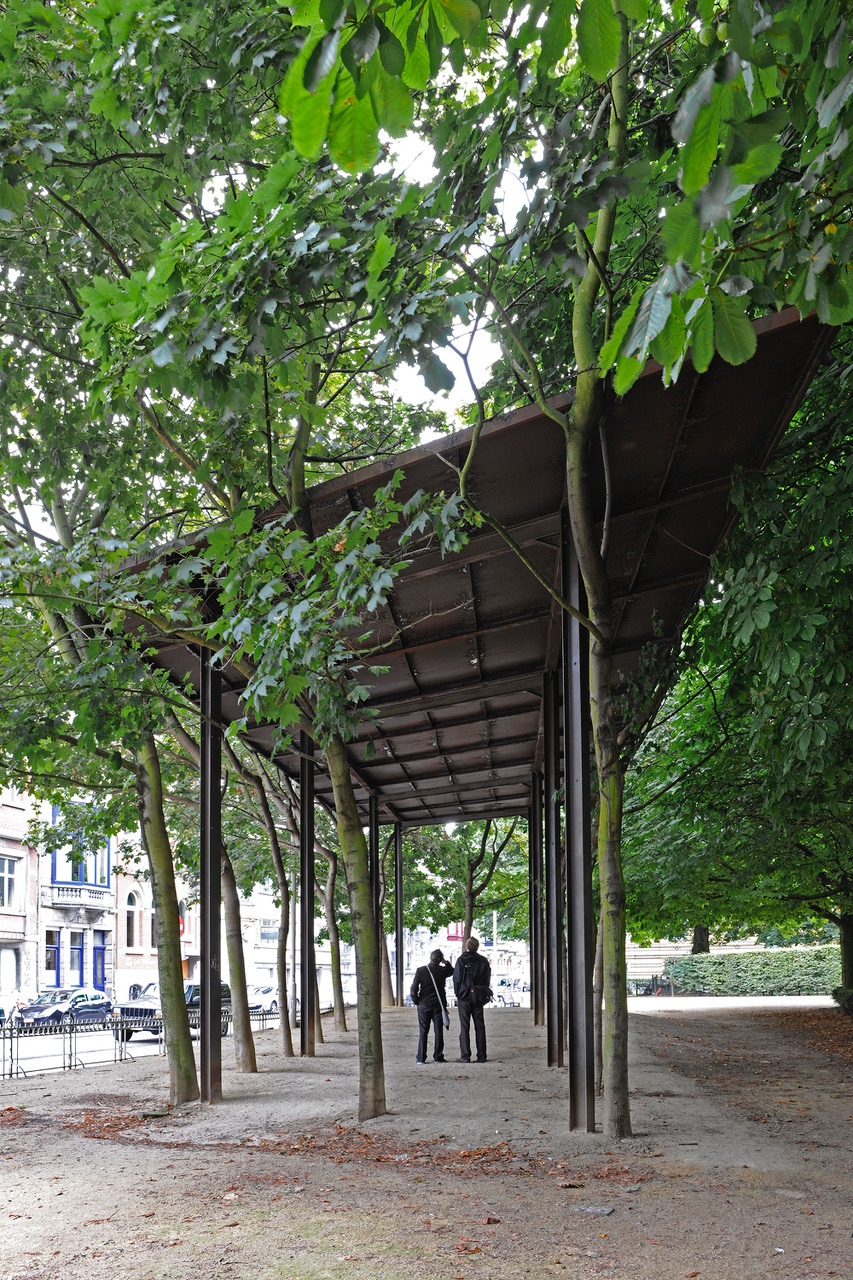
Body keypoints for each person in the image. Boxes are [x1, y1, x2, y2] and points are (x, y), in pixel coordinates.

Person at [410, 949, 454, 1064]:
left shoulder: (421, 971)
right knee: (438, 1030)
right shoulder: (443, 971)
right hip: (438, 1006)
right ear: (440, 960)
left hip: (424, 1005)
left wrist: (417, 1001)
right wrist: (446, 962)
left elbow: (413, 989)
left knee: (423, 1031)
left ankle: (421, 1057)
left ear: (430, 958)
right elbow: (452, 970)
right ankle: (438, 1057)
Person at [453, 936, 492, 1063]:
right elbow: (487, 979)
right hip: (478, 997)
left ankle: (465, 1055)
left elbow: (457, 979)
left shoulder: (461, 960)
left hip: (464, 997)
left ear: (467, 947)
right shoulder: (483, 961)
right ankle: (482, 1055)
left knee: (464, 1027)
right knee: (480, 1026)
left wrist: (459, 994)